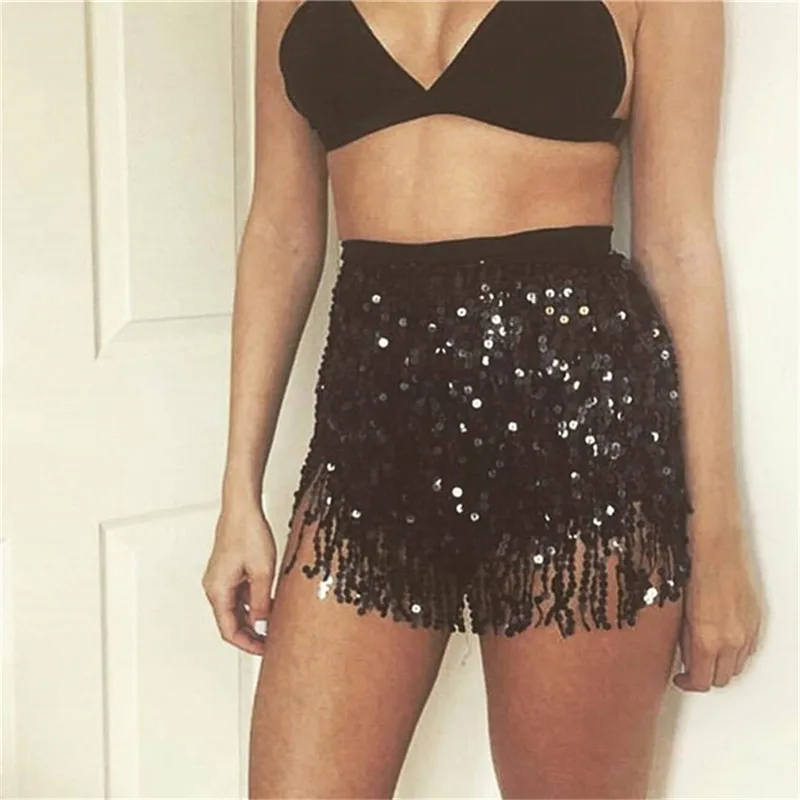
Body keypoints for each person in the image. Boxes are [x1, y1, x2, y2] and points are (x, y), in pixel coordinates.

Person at [202, 1, 763, 797]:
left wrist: (720, 538)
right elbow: (280, 232)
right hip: (371, 446)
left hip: (581, 448)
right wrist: (238, 493)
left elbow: (677, 247)